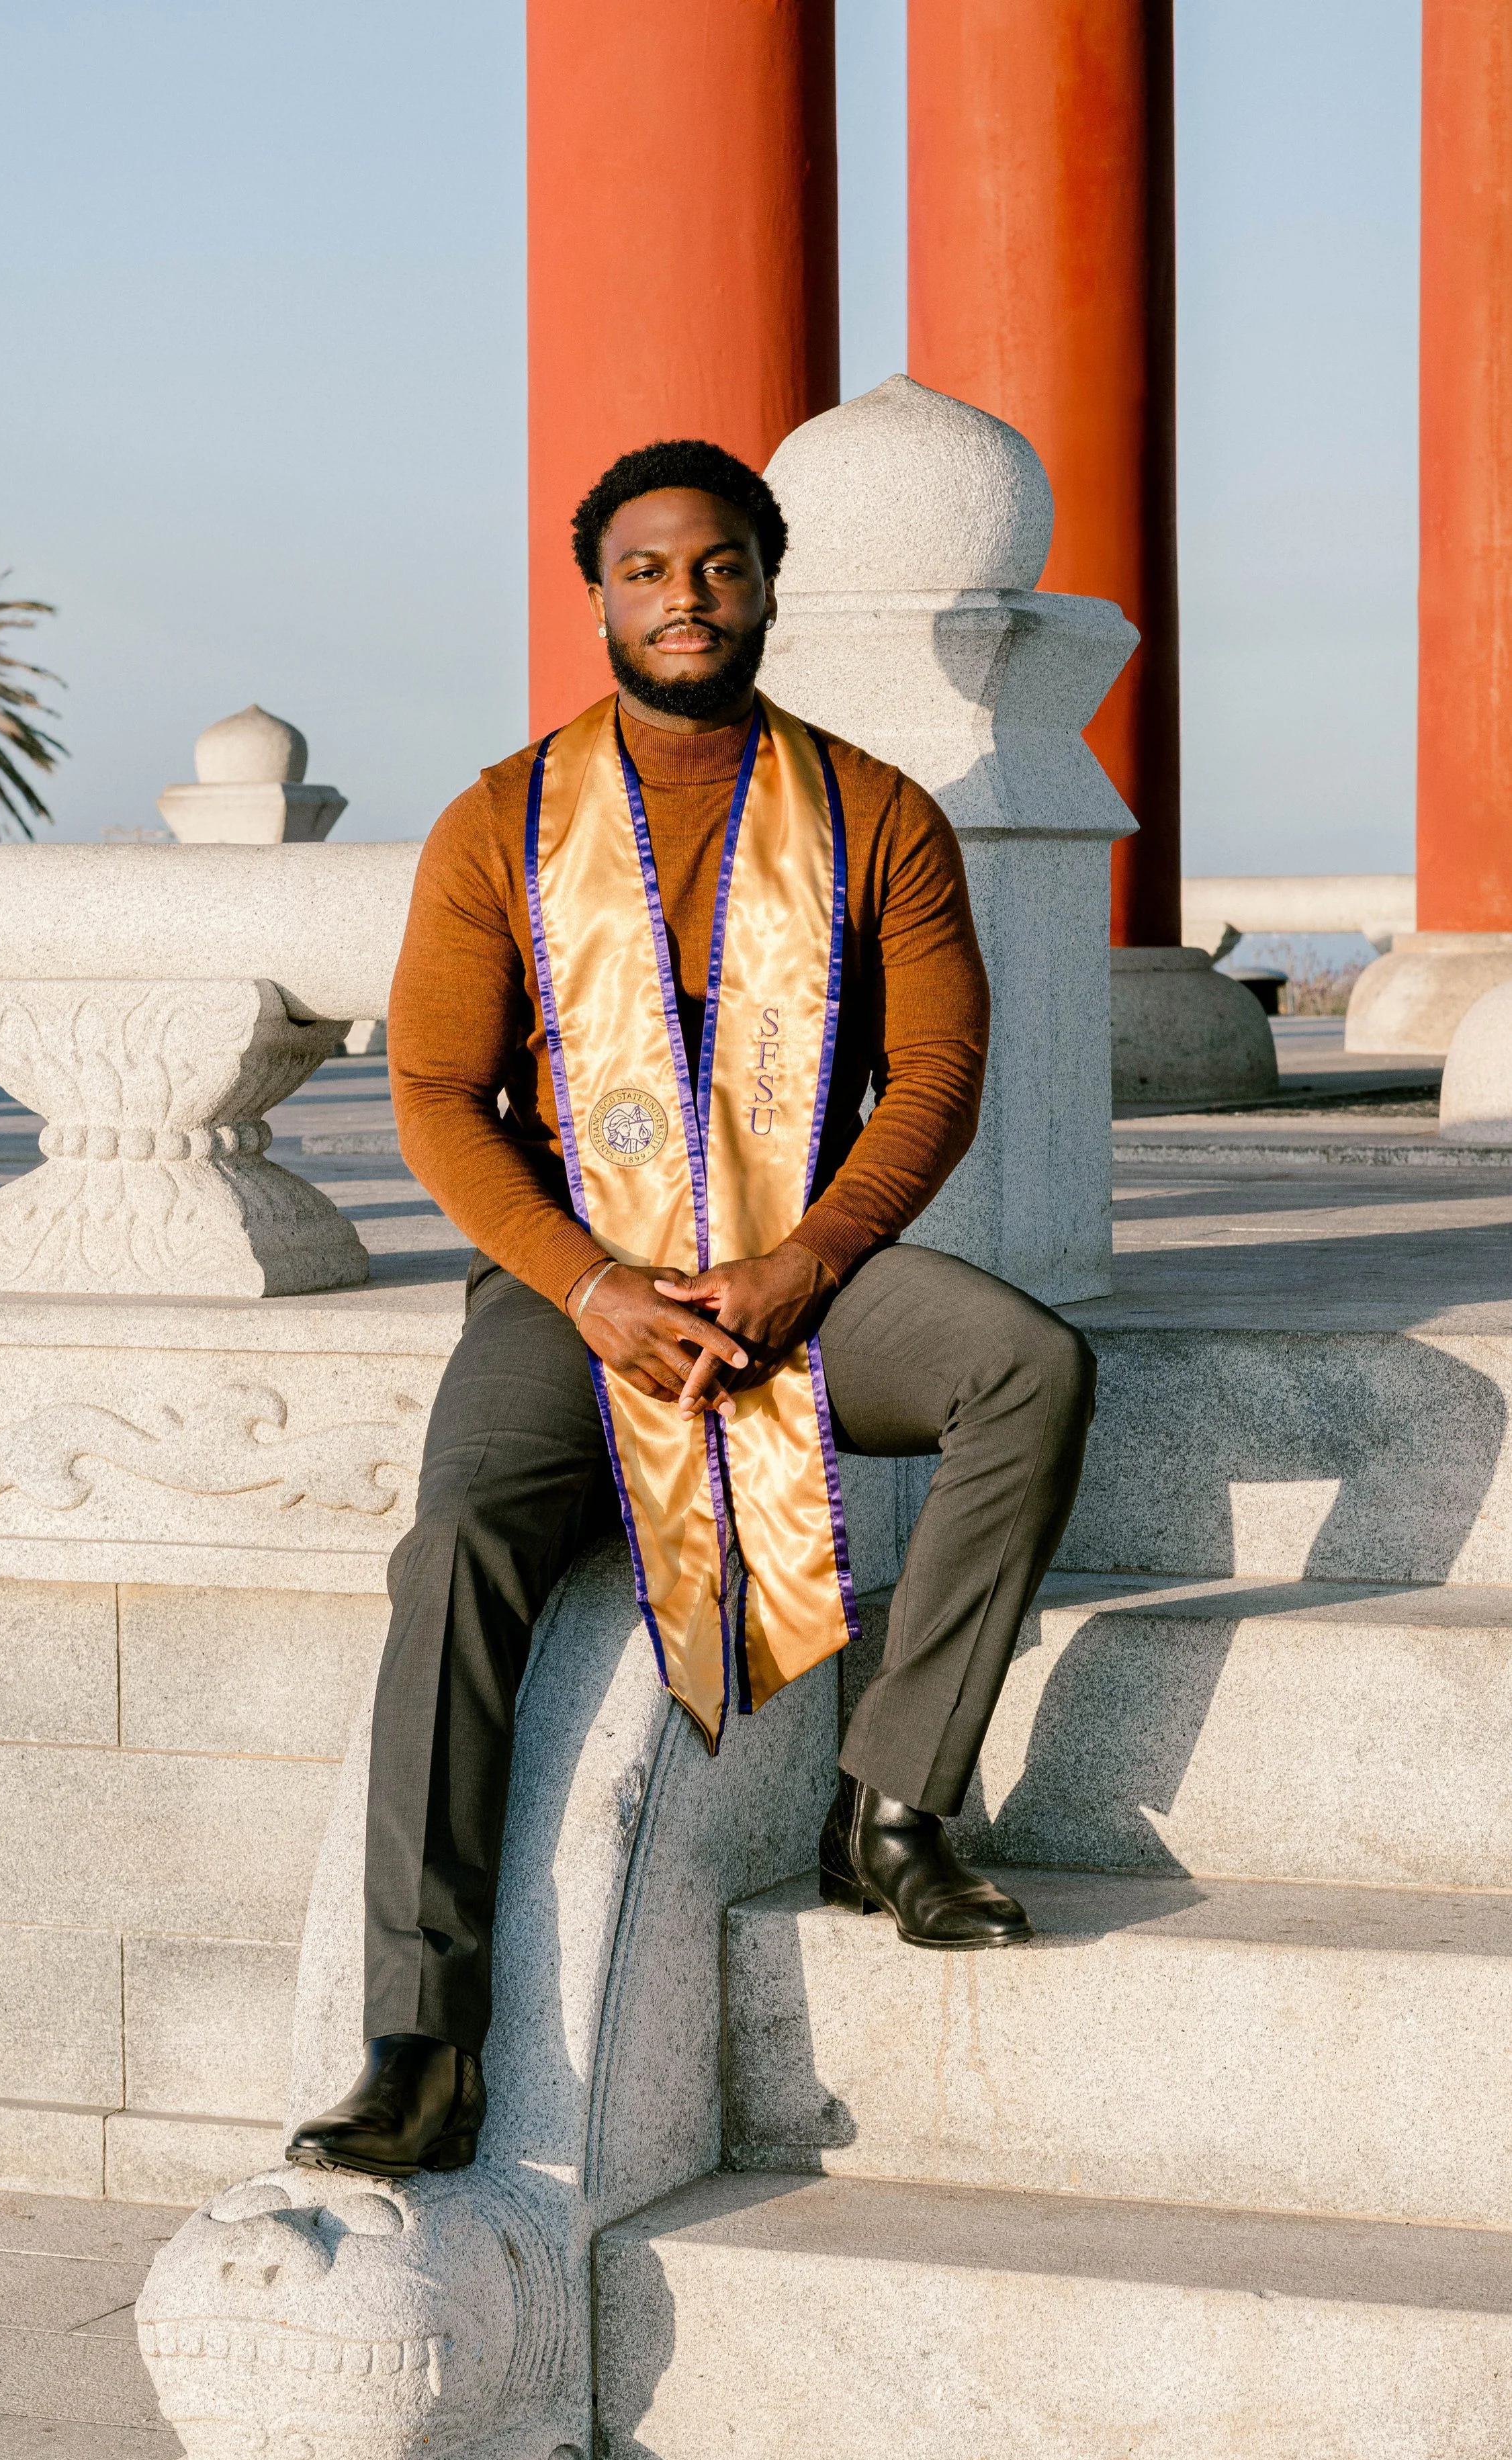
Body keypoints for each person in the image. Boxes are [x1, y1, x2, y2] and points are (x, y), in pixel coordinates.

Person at [287, 440, 1096, 2180]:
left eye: (715, 564)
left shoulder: (873, 813)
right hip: (570, 1292)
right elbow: (435, 1091)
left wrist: (803, 1263)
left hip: (796, 1274)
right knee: (452, 1555)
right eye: (645, 568)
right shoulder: (498, 820)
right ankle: (418, 2035)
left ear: (763, 582)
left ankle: (889, 1805)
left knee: (1022, 1364)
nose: (681, 596)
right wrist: (583, 1283)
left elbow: (936, 1076)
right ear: (597, 595)